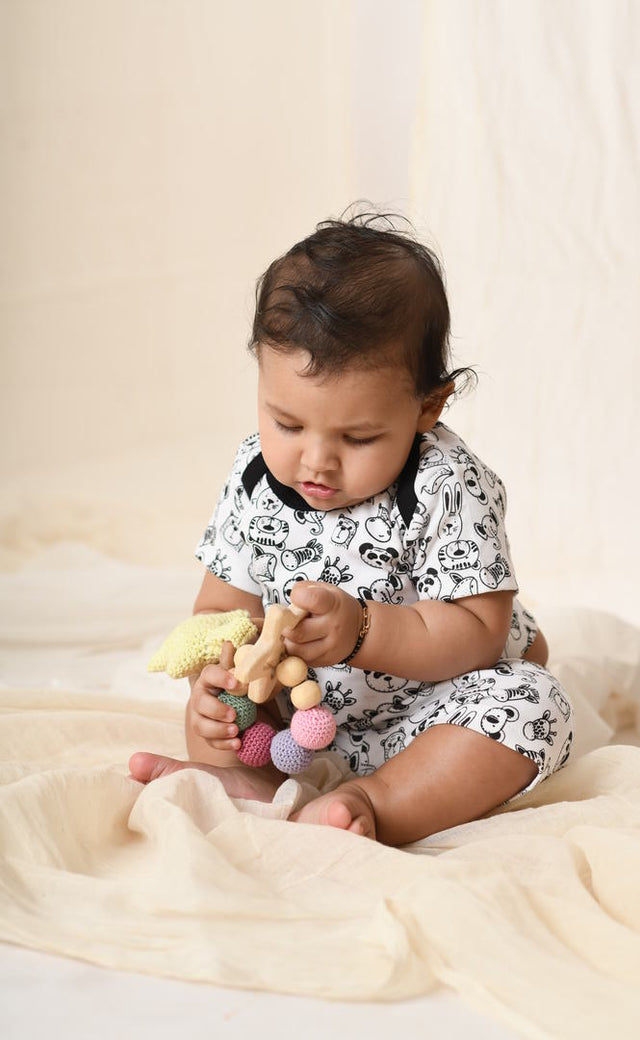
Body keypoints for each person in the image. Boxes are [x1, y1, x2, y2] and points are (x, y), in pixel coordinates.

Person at [129, 212, 574, 845]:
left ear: (427, 406)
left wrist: (363, 630)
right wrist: (219, 677)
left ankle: (375, 801)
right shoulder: (255, 475)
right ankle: (244, 781)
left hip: (433, 713)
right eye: (287, 424)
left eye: (358, 437)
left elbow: (479, 631)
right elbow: (221, 607)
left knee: (534, 705)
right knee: (219, 705)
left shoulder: (446, 483)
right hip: (301, 718)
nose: (316, 461)